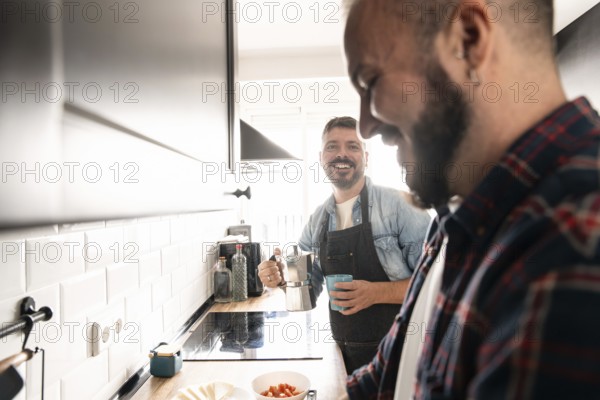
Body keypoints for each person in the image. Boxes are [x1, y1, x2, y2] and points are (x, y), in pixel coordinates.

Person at [342, 0, 600, 399]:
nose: (366, 125)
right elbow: (388, 377)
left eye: (370, 81)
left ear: (469, 38)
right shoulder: (457, 215)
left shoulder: (575, 247)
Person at [257, 116, 431, 374]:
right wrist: (283, 278)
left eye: (352, 146)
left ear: (366, 157)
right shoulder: (317, 221)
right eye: (332, 146)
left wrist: (376, 293)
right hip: (345, 356)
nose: (342, 154)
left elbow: (436, 283)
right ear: (321, 157)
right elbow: (306, 295)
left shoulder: (401, 206)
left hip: (403, 355)